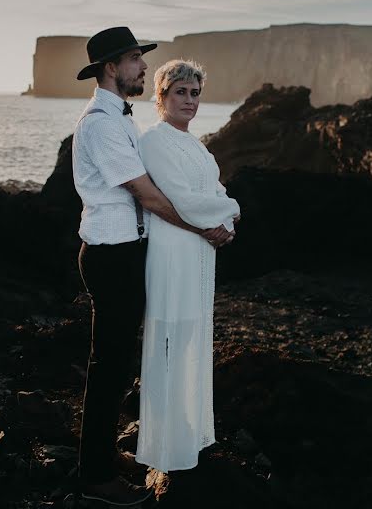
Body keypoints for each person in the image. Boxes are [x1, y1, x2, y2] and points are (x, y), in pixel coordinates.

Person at [72, 28, 232, 506]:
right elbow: (147, 195)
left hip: (126, 252)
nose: (142, 68)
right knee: (109, 368)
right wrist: (204, 226)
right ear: (110, 67)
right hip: (110, 255)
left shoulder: (120, 119)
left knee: (117, 365)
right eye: (135, 59)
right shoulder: (100, 123)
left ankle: (99, 456)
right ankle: (95, 475)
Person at [136, 59, 240, 474]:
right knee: (170, 341)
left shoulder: (196, 144)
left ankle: (186, 434)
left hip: (199, 250)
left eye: (195, 93)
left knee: (192, 335)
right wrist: (229, 211)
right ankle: (164, 447)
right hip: (174, 248)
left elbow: (214, 189)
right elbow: (182, 199)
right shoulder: (155, 141)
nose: (190, 101)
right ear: (161, 96)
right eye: (181, 92)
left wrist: (224, 221)